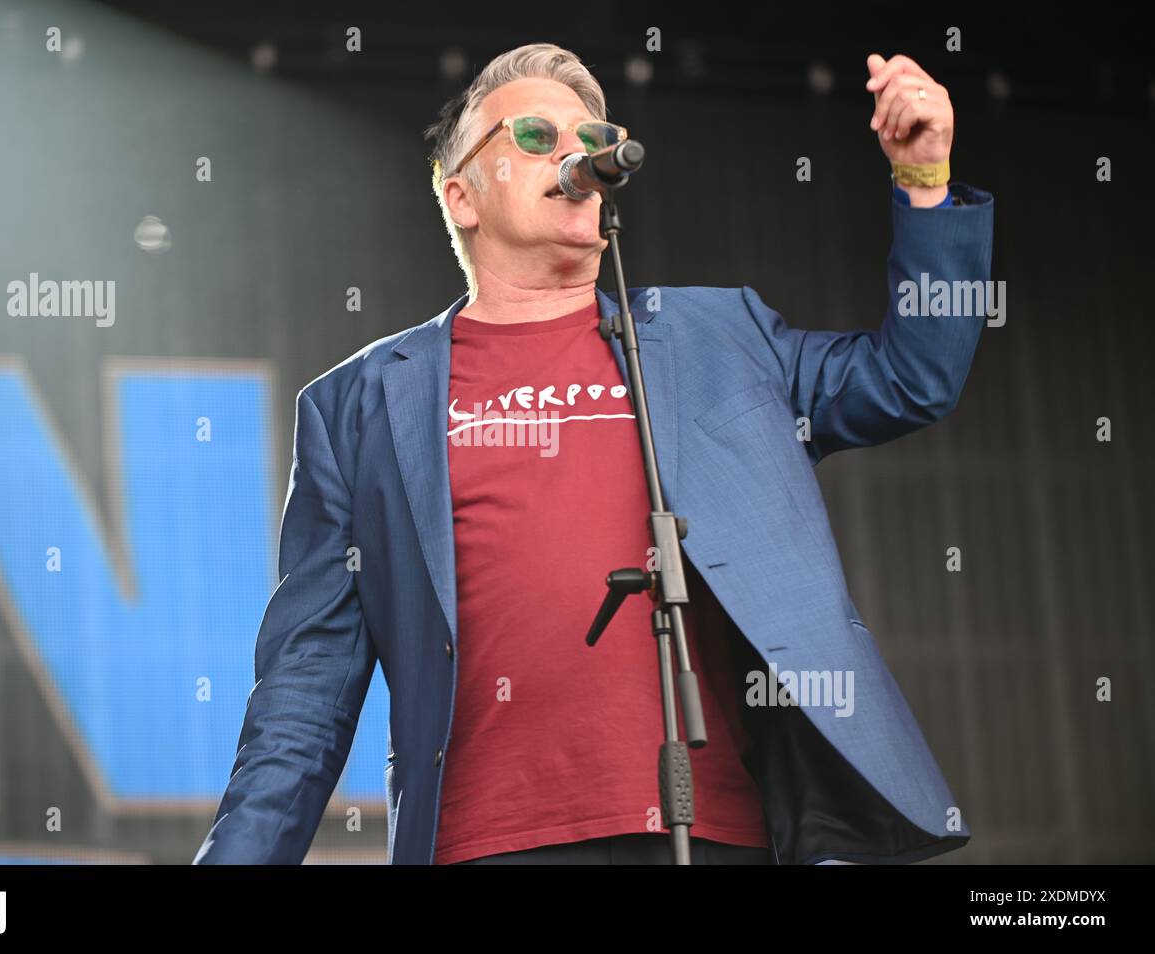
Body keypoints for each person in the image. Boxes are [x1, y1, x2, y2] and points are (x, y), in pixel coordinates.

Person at [194, 42, 993, 865]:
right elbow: (306, 694)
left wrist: (924, 180)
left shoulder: (719, 337)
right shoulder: (358, 405)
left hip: (717, 834)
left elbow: (913, 379)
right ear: (461, 194)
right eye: (537, 137)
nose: (579, 152)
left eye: (594, 134)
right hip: (488, 843)